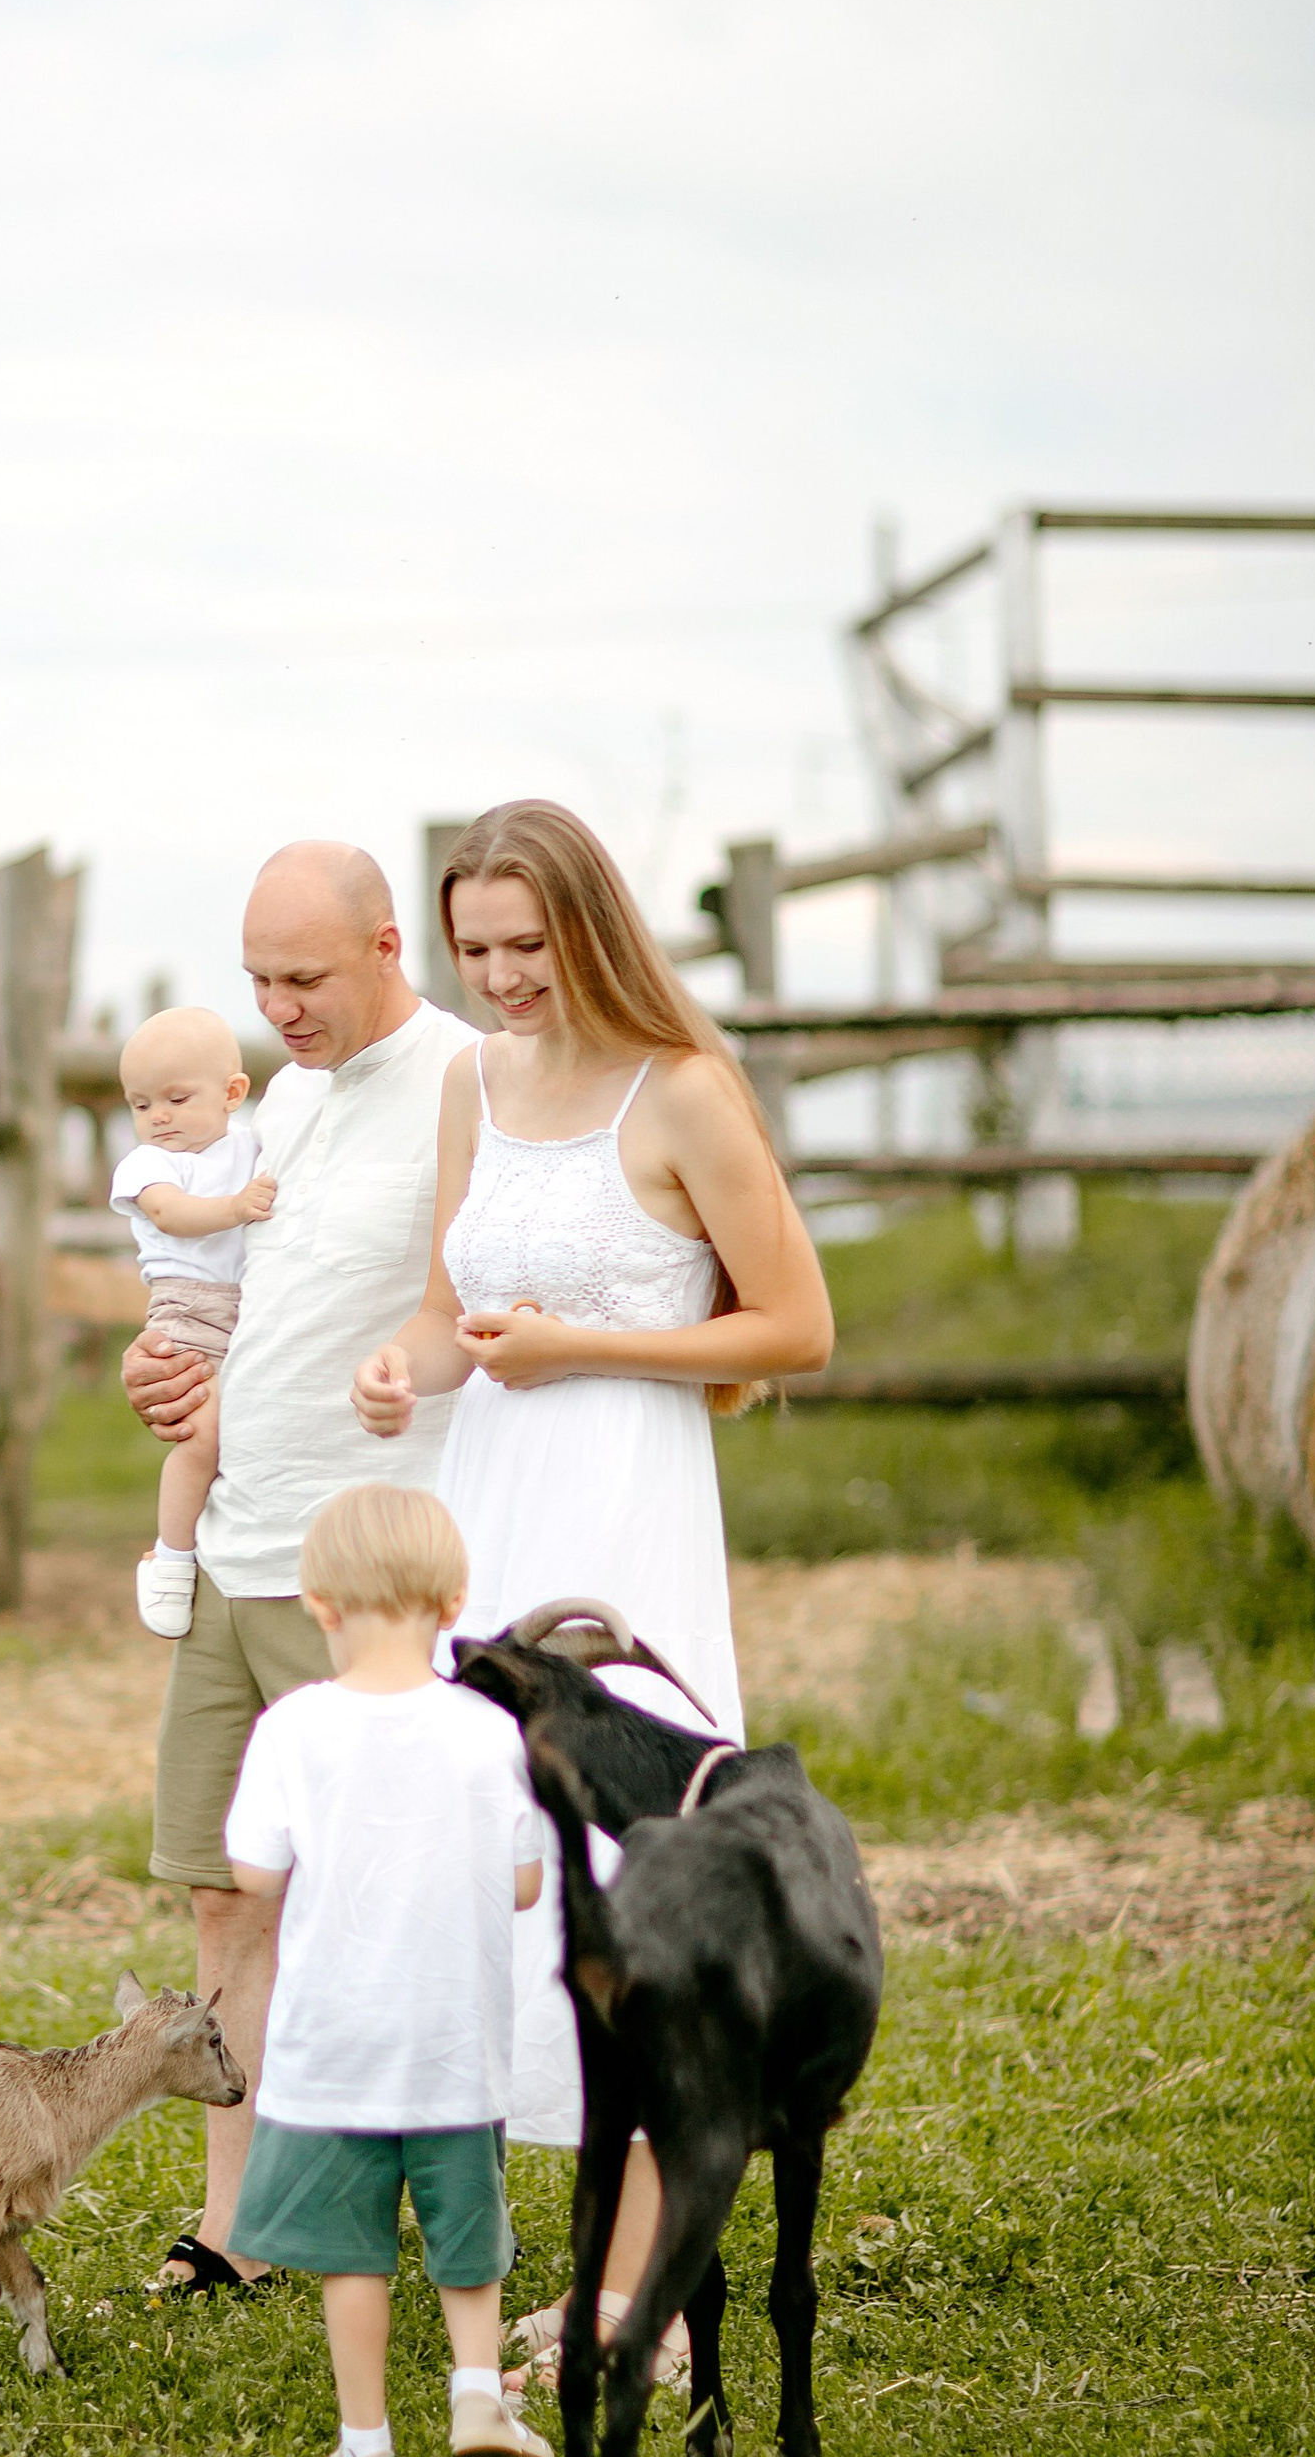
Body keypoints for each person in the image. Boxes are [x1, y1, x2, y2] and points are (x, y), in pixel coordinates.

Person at [350, 797, 834, 2391]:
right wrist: (396, 1370)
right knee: (498, 1857)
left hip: (626, 1520)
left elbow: (794, 1330)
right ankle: (551, 2256)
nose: (495, 978)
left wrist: (583, 1347)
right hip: (487, 1511)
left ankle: (642, 2299)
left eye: (525, 945)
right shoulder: (473, 1088)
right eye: (472, 947)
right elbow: (446, 1313)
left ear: (592, 930)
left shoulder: (681, 1092)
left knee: (634, 1875)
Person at [123, 840, 476, 2294]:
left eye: (306, 977)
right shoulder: (280, 1101)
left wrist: (411, 1373)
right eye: (259, 978)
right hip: (234, 1540)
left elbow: (465, 1296)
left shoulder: (463, 1077)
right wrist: (167, 1368)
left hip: (365, 1556)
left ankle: (407, 2198)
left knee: (377, 1899)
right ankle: (240, 2225)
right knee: (223, 1891)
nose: (278, 1006)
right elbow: (241, 1293)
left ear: (390, 946)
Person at [224, 1482, 548, 2457]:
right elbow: (526, 1882)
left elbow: (251, 1872)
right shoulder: (489, 1730)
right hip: (453, 2040)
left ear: (317, 1605)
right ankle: (476, 2395)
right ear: (453, 1606)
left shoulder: (291, 1727)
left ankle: (364, 2437)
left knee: (349, 2252)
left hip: (334, 2046)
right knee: (466, 2241)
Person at [109, 1007, 278, 1638]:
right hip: (187, 1307)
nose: (158, 1117)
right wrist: (235, 1208)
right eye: (141, 1103)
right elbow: (173, 1214)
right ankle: (171, 1556)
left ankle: (219, 1541)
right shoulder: (148, 1165)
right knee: (201, 1433)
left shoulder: (254, 1143)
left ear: (233, 1093)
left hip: (252, 1304)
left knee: (245, 1427)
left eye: (177, 1099)